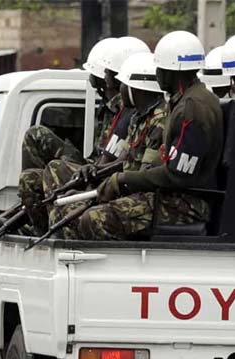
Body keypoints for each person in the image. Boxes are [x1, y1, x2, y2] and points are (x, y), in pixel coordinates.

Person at [79, 31, 223, 240]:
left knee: (94, 218)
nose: (157, 75)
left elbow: (178, 175)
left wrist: (124, 180)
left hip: (185, 204)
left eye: (160, 68)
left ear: (172, 71)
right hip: (171, 197)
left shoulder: (193, 108)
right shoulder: (186, 101)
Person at [19, 37, 147, 236]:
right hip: (97, 168)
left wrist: (94, 172)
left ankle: (60, 232)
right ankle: (38, 227)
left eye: (106, 72)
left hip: (111, 178)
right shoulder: (115, 108)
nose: (102, 77)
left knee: (56, 168)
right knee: (30, 177)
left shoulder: (133, 112)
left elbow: (123, 162)